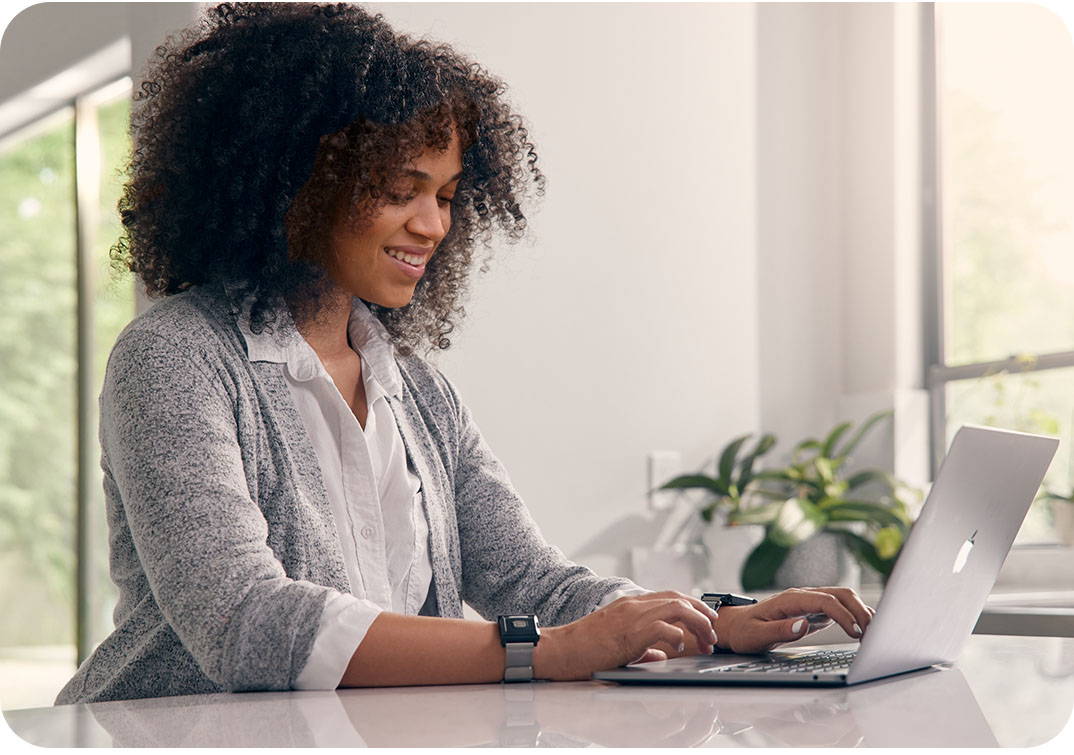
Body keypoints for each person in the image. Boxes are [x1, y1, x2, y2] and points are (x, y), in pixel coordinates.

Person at [56, 2, 872, 704]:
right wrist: (545, 651)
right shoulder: (173, 357)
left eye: (446, 197)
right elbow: (246, 621)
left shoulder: (416, 390)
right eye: (401, 190)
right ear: (295, 181)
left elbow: (538, 584)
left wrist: (711, 621)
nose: (433, 226)